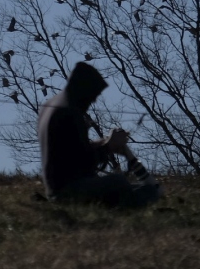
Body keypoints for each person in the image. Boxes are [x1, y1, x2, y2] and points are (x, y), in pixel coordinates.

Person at [37, 61, 161, 208]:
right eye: (93, 95)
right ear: (84, 90)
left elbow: (72, 150)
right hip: (68, 192)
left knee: (133, 187)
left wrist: (104, 142)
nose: (94, 100)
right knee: (119, 182)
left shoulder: (51, 106)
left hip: (57, 190)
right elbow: (81, 162)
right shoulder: (69, 113)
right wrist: (108, 147)